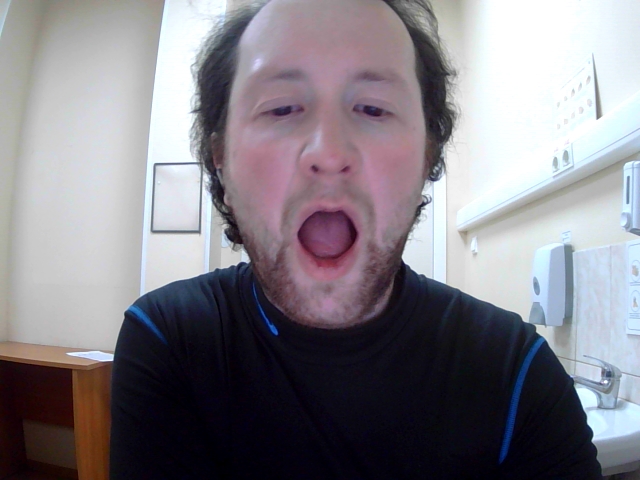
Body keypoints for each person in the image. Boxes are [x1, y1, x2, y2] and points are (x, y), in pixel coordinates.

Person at [110, 0, 602, 478]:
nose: (328, 153)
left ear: (428, 156)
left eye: (372, 108)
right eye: (281, 108)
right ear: (221, 158)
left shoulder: (514, 373)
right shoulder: (169, 341)